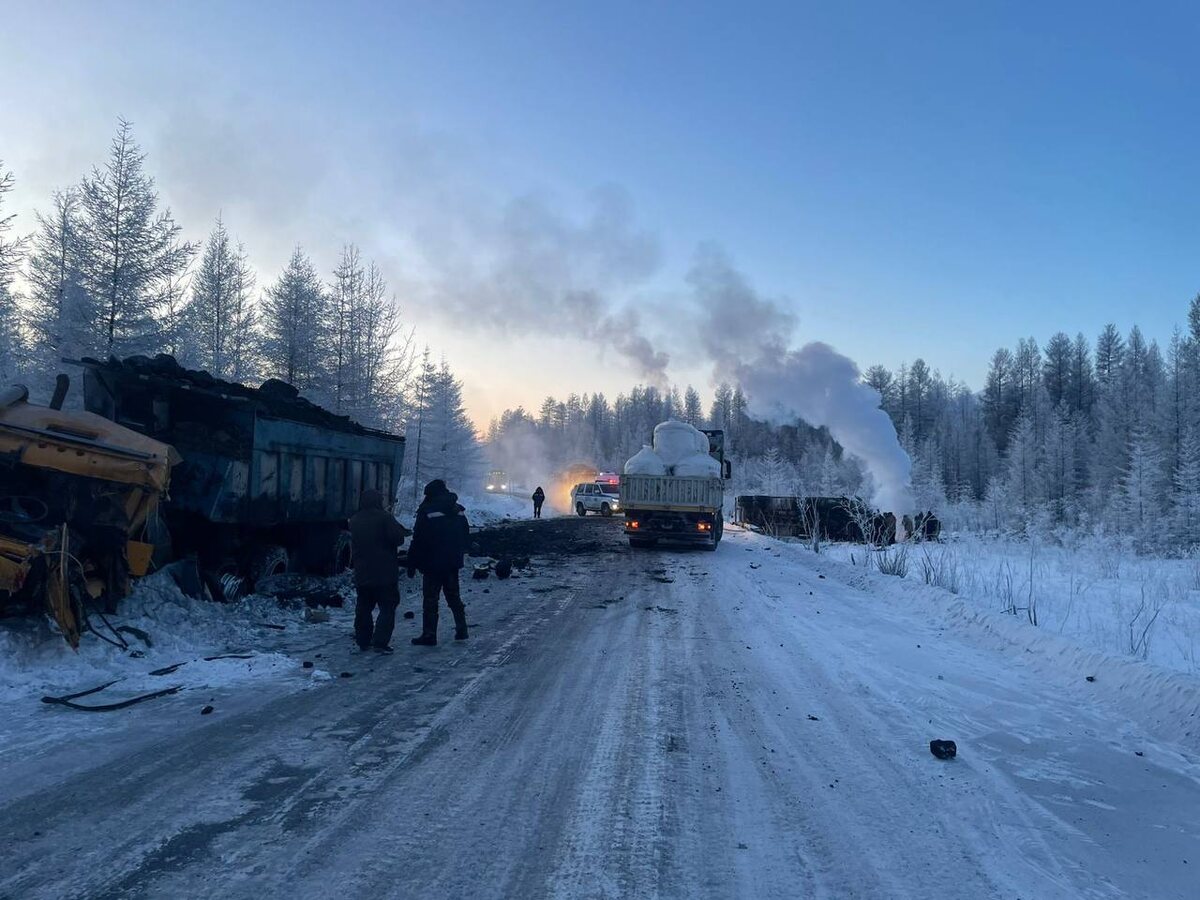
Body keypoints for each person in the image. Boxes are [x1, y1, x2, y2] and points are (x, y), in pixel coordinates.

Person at [406, 479, 470, 646]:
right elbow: (465, 533)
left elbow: (418, 539)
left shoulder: (427, 511)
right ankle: (462, 629)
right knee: (454, 596)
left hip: (432, 562)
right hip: (452, 562)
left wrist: (411, 562)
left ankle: (429, 634)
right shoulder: (458, 510)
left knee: (430, 599)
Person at [349, 488, 410, 653]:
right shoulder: (385, 518)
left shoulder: (354, 519)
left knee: (363, 608)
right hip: (384, 572)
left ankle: (363, 640)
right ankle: (380, 642)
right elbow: (397, 539)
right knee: (387, 607)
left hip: (362, 571)